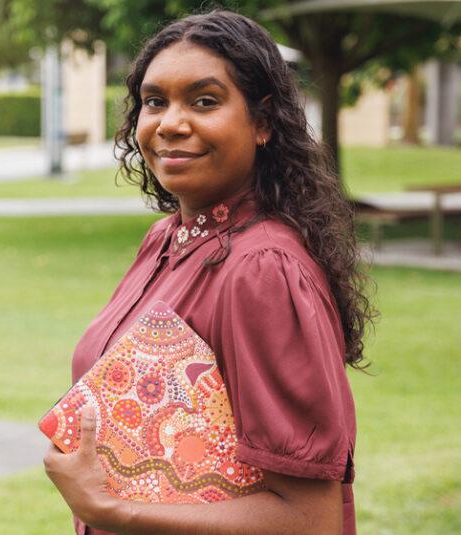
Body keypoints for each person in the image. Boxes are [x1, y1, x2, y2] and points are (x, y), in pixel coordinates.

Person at [43, 11, 375, 535]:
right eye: (155, 102)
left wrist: (110, 510)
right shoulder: (168, 239)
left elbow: (309, 521)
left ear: (262, 122)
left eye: (204, 101)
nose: (170, 123)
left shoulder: (261, 268)